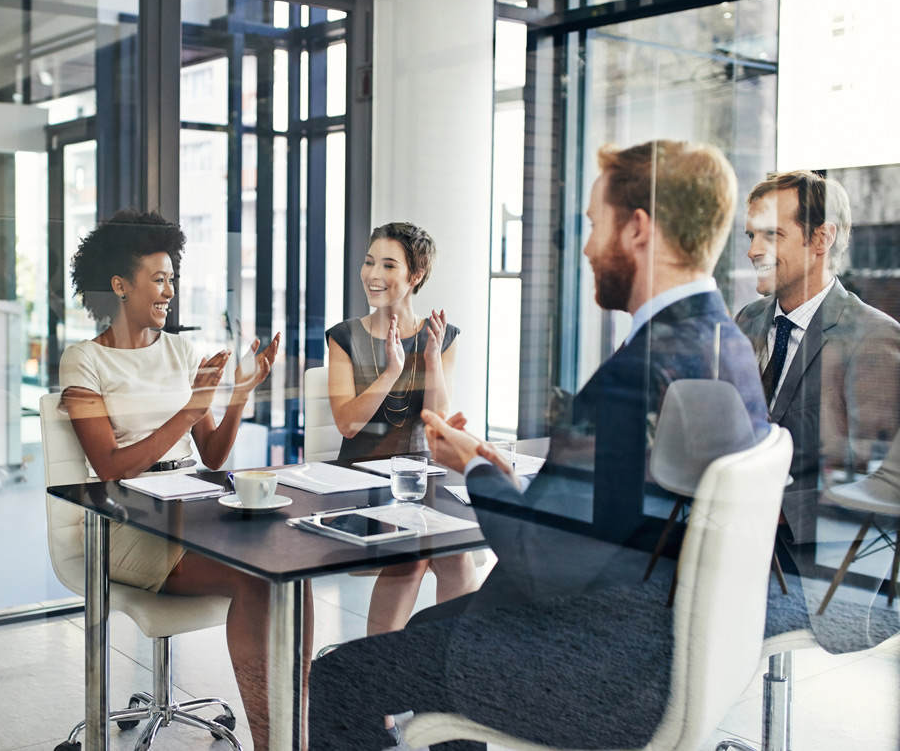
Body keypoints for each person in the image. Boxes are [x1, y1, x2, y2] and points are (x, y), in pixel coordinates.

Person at [308, 141, 770, 751]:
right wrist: (510, 476)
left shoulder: (637, 375)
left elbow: (539, 561)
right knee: (427, 626)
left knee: (339, 675)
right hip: (664, 647)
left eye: (592, 225)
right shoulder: (728, 344)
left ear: (637, 229)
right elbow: (619, 513)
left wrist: (477, 467)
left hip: (587, 668)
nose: (584, 247)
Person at [58, 209, 300, 749]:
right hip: (121, 520)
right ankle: (271, 742)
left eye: (173, 278)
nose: (170, 291)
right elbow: (111, 469)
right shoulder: (84, 361)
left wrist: (239, 394)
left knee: (289, 573)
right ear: (121, 285)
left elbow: (212, 456)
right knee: (251, 579)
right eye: (159, 279)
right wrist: (191, 410)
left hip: (188, 507)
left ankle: (298, 729)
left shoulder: (181, 350)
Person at [325, 222, 478, 745]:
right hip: (362, 479)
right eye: (370, 261)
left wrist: (430, 357)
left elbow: (435, 422)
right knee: (411, 555)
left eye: (388, 265)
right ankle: (380, 701)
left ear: (415, 275)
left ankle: (450, 690)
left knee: (458, 555)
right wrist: (391, 370)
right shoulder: (344, 337)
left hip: (421, 475)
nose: (373, 273)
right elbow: (346, 423)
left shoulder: (443, 335)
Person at [737, 171, 900, 647]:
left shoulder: (873, 339)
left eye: (771, 234)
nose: (751, 250)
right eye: (751, 235)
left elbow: (876, 485)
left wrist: (771, 510)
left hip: (811, 565)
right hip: (737, 542)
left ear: (821, 239)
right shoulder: (748, 320)